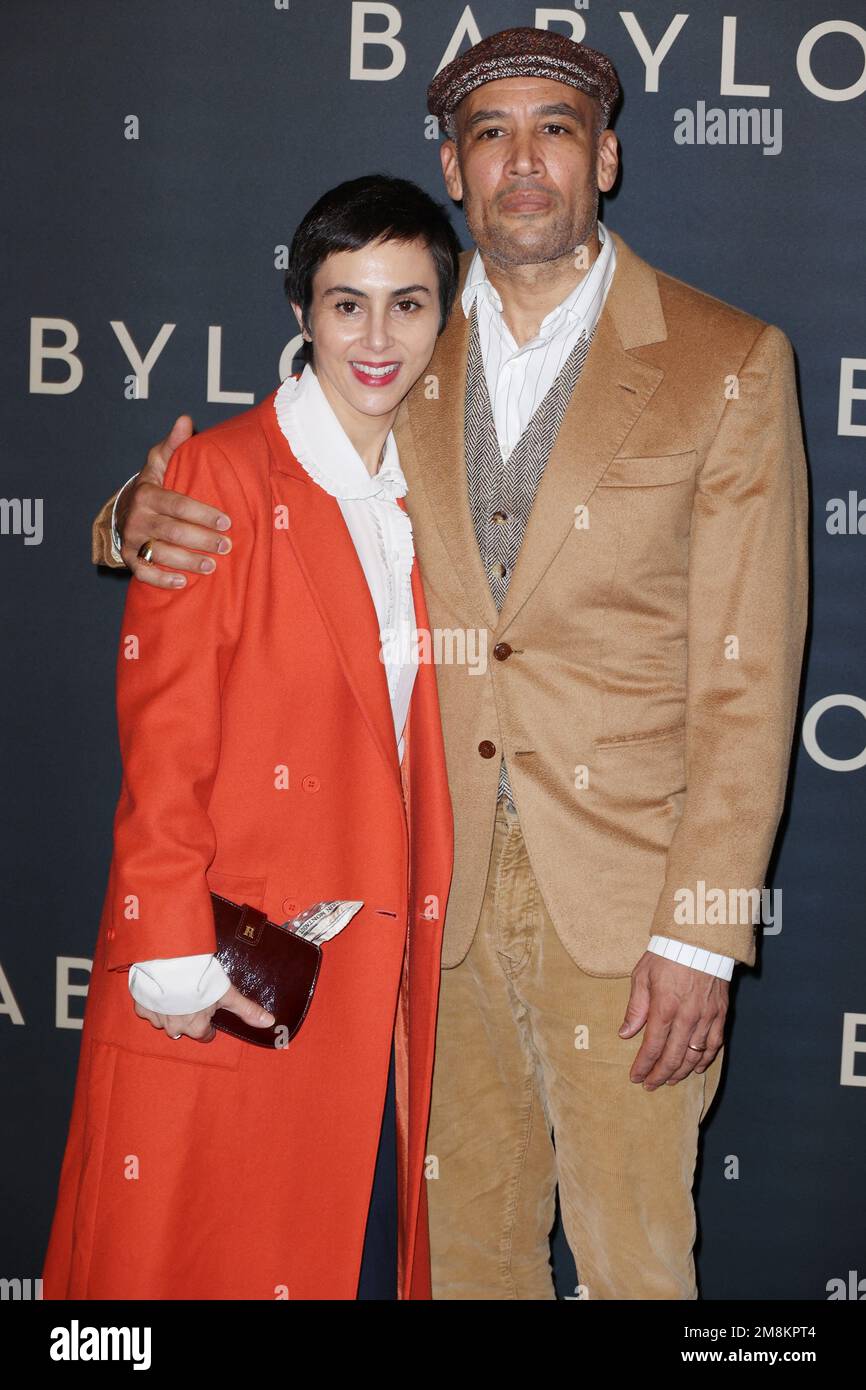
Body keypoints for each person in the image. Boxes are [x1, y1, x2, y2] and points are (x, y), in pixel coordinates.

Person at [87, 29, 809, 1300]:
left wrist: (702, 935)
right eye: (491, 134)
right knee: (466, 1261)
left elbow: (750, 681)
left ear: (608, 155)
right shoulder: (404, 343)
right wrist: (128, 516)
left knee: (635, 1261)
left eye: (554, 128)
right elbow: (273, 474)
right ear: (454, 168)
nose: (523, 160)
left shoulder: (725, 361)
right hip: (432, 894)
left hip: (629, 909)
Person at [42, 174, 458, 1300]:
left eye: (408, 304)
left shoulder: (444, 498)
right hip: (244, 974)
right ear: (300, 314)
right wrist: (170, 949)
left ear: (444, 315)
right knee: (199, 1261)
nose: (377, 337)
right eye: (346, 303)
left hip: (391, 991)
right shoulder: (215, 479)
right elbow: (162, 745)